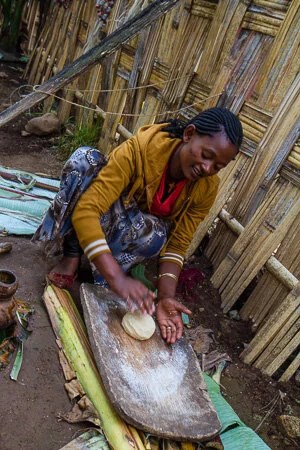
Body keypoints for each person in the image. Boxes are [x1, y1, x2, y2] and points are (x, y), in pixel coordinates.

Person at [33, 107, 243, 344]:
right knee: (85, 161)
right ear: (189, 134)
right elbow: (87, 210)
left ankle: (99, 267)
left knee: (156, 234)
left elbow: (177, 244)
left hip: (128, 226)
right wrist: (117, 278)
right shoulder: (140, 149)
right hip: (104, 210)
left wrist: (165, 297)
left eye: (217, 167)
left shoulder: (205, 189)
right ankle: (72, 254)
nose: (207, 168)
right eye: (206, 155)